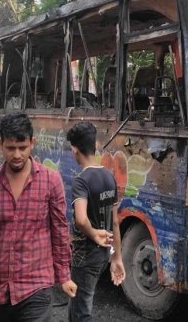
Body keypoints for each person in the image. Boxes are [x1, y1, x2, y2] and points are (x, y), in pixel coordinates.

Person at [0, 112, 76, 321]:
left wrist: (64, 276)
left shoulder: (51, 181)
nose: (17, 155)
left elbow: (59, 231)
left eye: (23, 147)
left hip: (36, 287)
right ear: (1, 144)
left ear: (32, 143)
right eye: (11, 148)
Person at [66, 122, 125, 321]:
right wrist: (116, 257)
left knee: (82, 311)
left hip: (85, 256)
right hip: (102, 255)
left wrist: (93, 234)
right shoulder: (109, 177)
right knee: (76, 304)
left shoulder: (81, 181)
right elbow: (115, 222)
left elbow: (81, 220)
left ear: (74, 149)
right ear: (95, 145)